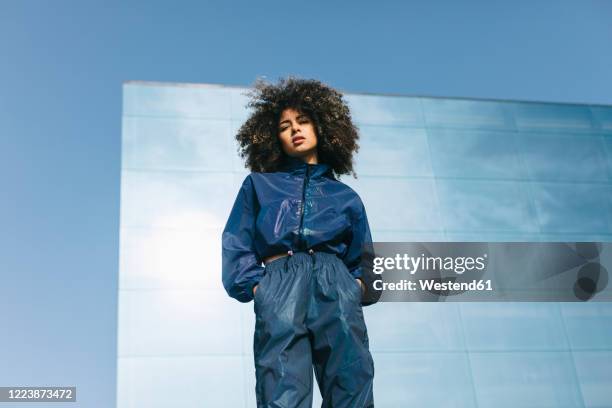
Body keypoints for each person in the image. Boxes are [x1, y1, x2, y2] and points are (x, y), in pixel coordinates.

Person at [222, 77, 379, 408]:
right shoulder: (259, 185)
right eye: (285, 126)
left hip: (335, 283)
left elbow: (364, 257)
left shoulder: (346, 197)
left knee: (352, 383)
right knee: (281, 388)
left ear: (322, 126)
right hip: (280, 281)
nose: (295, 129)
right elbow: (237, 241)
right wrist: (257, 287)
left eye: (303, 121)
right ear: (273, 136)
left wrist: (355, 288)